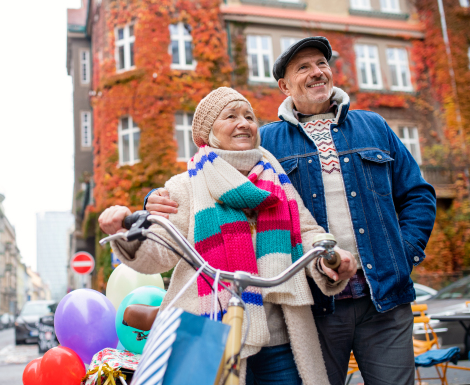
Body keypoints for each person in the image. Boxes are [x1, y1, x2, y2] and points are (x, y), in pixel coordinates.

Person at [145, 37, 438, 385]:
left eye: (322, 64)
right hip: (316, 306)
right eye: (303, 67)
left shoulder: (373, 126)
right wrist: (154, 198)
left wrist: (402, 254)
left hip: (384, 300)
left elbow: (418, 194)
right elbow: (212, 173)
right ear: (284, 85)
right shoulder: (266, 142)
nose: (317, 72)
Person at [99, 87, 358, 385]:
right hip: (212, 336)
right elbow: (160, 252)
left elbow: (308, 232)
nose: (244, 122)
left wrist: (330, 259)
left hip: (280, 340)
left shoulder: (277, 180)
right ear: (209, 132)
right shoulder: (185, 186)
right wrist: (124, 232)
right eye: (231, 116)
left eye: (249, 116)